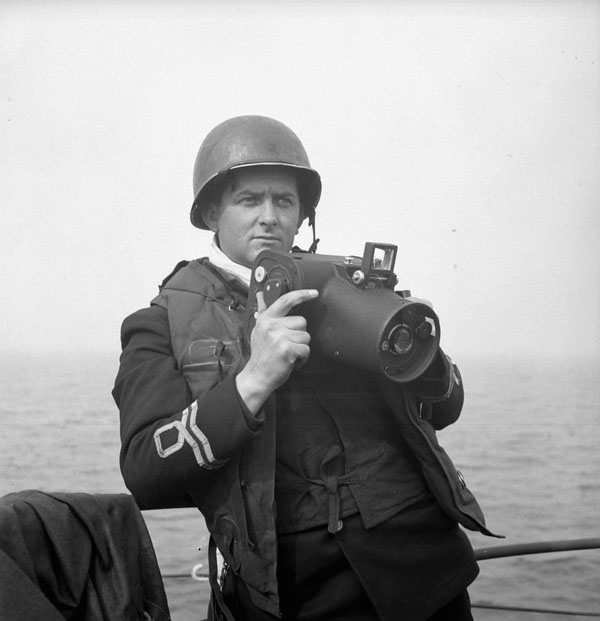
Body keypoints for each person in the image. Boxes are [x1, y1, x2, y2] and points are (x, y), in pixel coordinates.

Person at [113, 115, 496, 621]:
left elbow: (445, 407)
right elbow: (144, 471)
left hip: (422, 573)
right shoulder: (160, 322)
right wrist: (251, 383)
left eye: (284, 201)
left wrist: (413, 344)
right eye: (249, 200)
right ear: (210, 212)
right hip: (291, 592)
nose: (269, 217)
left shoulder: (348, 286)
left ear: (302, 215)